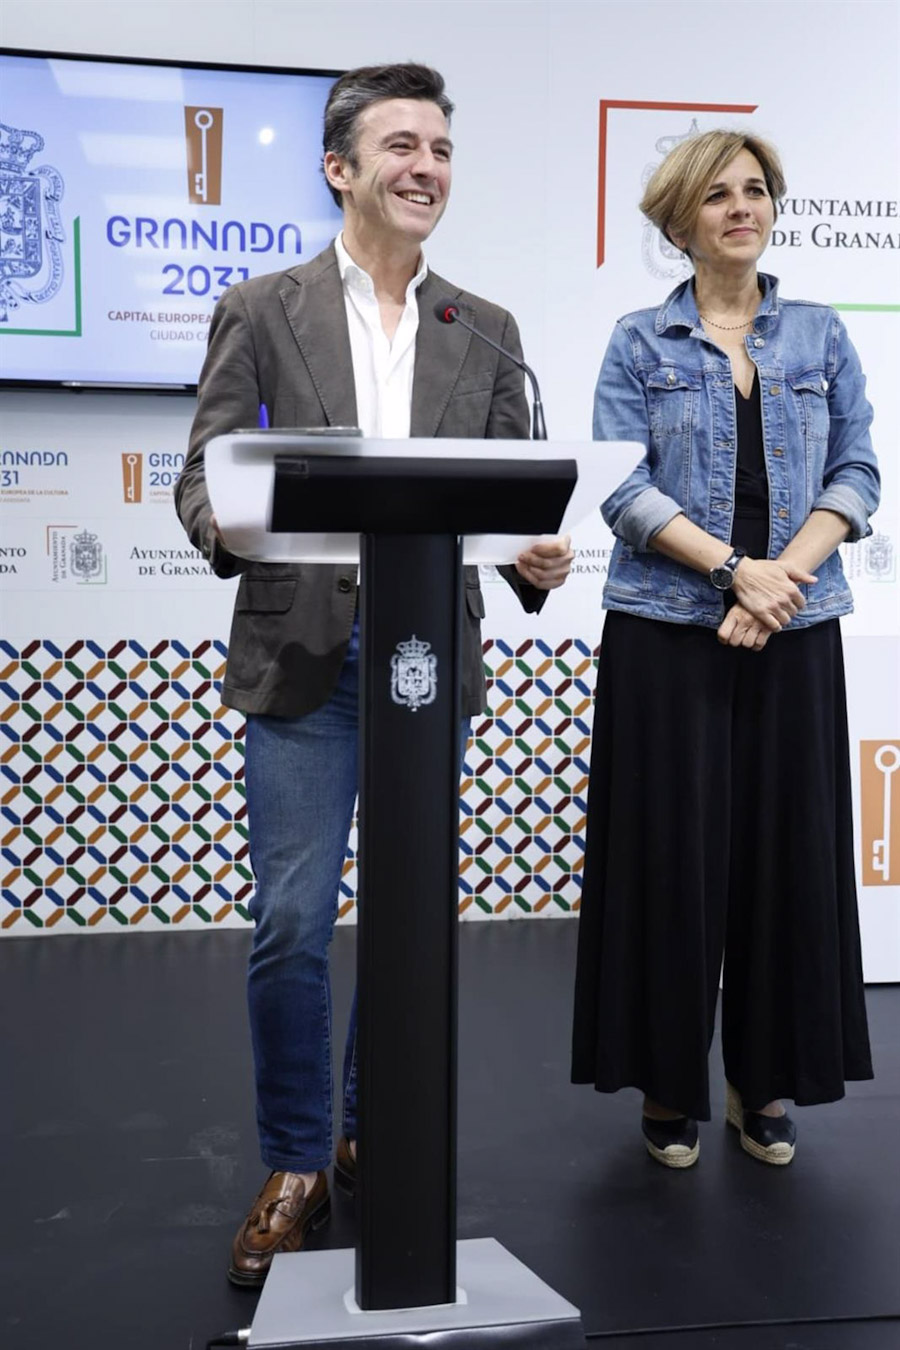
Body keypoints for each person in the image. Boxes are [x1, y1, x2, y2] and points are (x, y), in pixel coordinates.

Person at [175, 62, 573, 1285]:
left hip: (425, 666)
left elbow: (516, 496)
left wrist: (539, 558)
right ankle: (295, 1158)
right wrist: (233, 525)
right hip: (301, 660)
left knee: (405, 921)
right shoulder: (262, 307)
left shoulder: (485, 325)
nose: (427, 167)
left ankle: (363, 1123)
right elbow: (200, 480)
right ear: (340, 166)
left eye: (443, 148)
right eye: (402, 144)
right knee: (294, 923)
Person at [571, 130, 878, 1170]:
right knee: (672, 863)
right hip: (669, 627)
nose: (742, 207)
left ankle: (764, 1079)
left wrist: (778, 579)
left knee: (785, 861)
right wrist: (729, 574)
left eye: (756, 191)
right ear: (679, 222)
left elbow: (858, 477)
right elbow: (620, 487)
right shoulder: (638, 343)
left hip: (792, 626)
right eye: (718, 195)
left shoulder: (823, 336)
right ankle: (669, 1082)